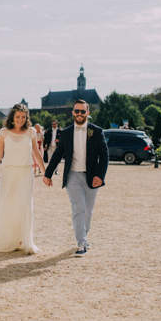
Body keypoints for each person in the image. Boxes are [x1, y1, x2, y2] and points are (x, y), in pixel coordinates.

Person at [43, 100, 109, 256]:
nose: (79, 114)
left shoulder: (97, 131)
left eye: (83, 111)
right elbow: (58, 154)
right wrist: (48, 174)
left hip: (92, 175)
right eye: (77, 111)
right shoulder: (65, 133)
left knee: (89, 209)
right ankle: (81, 243)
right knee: (78, 208)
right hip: (72, 175)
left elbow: (104, 155)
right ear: (72, 112)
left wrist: (100, 175)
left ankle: (84, 235)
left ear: (87, 113)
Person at [0, 103, 46, 255]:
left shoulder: (31, 131)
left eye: (23, 117)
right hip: (9, 172)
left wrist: (46, 173)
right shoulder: (4, 132)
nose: (20, 119)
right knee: (7, 205)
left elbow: (36, 153)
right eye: (18, 117)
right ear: (12, 117)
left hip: (26, 173)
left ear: (27, 118)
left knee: (25, 206)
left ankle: (24, 240)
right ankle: (9, 239)